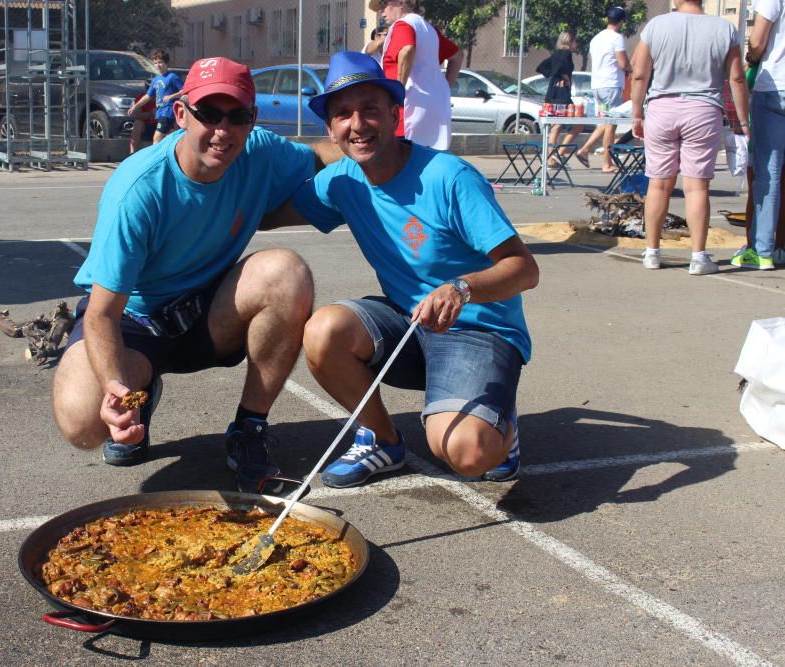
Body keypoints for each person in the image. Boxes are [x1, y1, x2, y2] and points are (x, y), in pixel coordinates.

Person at [52, 57, 334, 494]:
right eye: (209, 114)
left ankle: (249, 429)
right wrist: (115, 390)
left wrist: (393, 156)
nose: (223, 130)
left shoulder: (259, 150)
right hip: (135, 324)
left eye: (237, 115)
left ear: (252, 119)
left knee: (285, 272)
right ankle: (139, 394)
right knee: (82, 423)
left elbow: (321, 156)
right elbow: (103, 315)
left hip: (205, 313)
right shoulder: (138, 189)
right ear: (181, 113)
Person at [268, 51, 539, 485]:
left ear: (396, 114)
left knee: (469, 455)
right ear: (330, 129)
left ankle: (500, 421)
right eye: (343, 114)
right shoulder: (340, 181)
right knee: (324, 330)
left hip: (477, 327)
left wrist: (461, 288)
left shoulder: (448, 177)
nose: (357, 124)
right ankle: (382, 441)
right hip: (409, 323)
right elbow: (264, 215)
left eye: (370, 109)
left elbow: (524, 269)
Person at [631, 0, 750, 274]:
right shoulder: (723, 28)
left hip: (661, 108)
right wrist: (741, 121)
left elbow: (639, 74)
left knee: (658, 184)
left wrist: (637, 113)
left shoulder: (657, 25)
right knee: (696, 187)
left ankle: (652, 252)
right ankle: (698, 257)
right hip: (704, 109)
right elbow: (737, 78)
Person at [369, 0, 463, 150]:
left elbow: (407, 49)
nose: (381, 10)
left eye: (384, 4)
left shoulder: (403, 25)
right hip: (432, 109)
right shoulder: (429, 30)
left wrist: (398, 90)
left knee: (400, 164)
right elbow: (457, 56)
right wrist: (444, 88)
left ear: (401, 3)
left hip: (408, 112)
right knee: (429, 160)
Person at [735, 0, 785, 270]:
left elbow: (757, 40)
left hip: (775, 86)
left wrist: (751, 59)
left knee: (768, 175)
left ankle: (761, 250)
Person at [574, 7, 630, 173]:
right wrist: (634, 69)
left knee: (606, 121)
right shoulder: (617, 38)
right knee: (611, 124)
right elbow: (623, 64)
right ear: (621, 21)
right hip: (611, 85)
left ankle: (584, 149)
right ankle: (607, 162)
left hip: (597, 85)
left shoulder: (596, 38)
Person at [539, 30, 587, 167]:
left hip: (554, 93)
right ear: (569, 41)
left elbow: (542, 67)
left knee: (556, 126)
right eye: (575, 41)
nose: (576, 44)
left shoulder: (556, 54)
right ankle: (556, 155)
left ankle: (553, 156)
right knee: (573, 124)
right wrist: (563, 76)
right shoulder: (565, 54)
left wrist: (553, 75)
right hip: (560, 95)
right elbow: (559, 67)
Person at [127, 49, 184, 153]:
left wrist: (171, 96)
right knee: (169, 135)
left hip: (168, 112)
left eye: (160, 62)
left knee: (157, 138)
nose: (158, 65)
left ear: (166, 63)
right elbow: (148, 96)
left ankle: (154, 160)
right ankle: (183, 139)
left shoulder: (172, 77)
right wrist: (135, 106)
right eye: (156, 63)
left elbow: (183, 91)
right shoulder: (155, 80)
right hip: (160, 112)